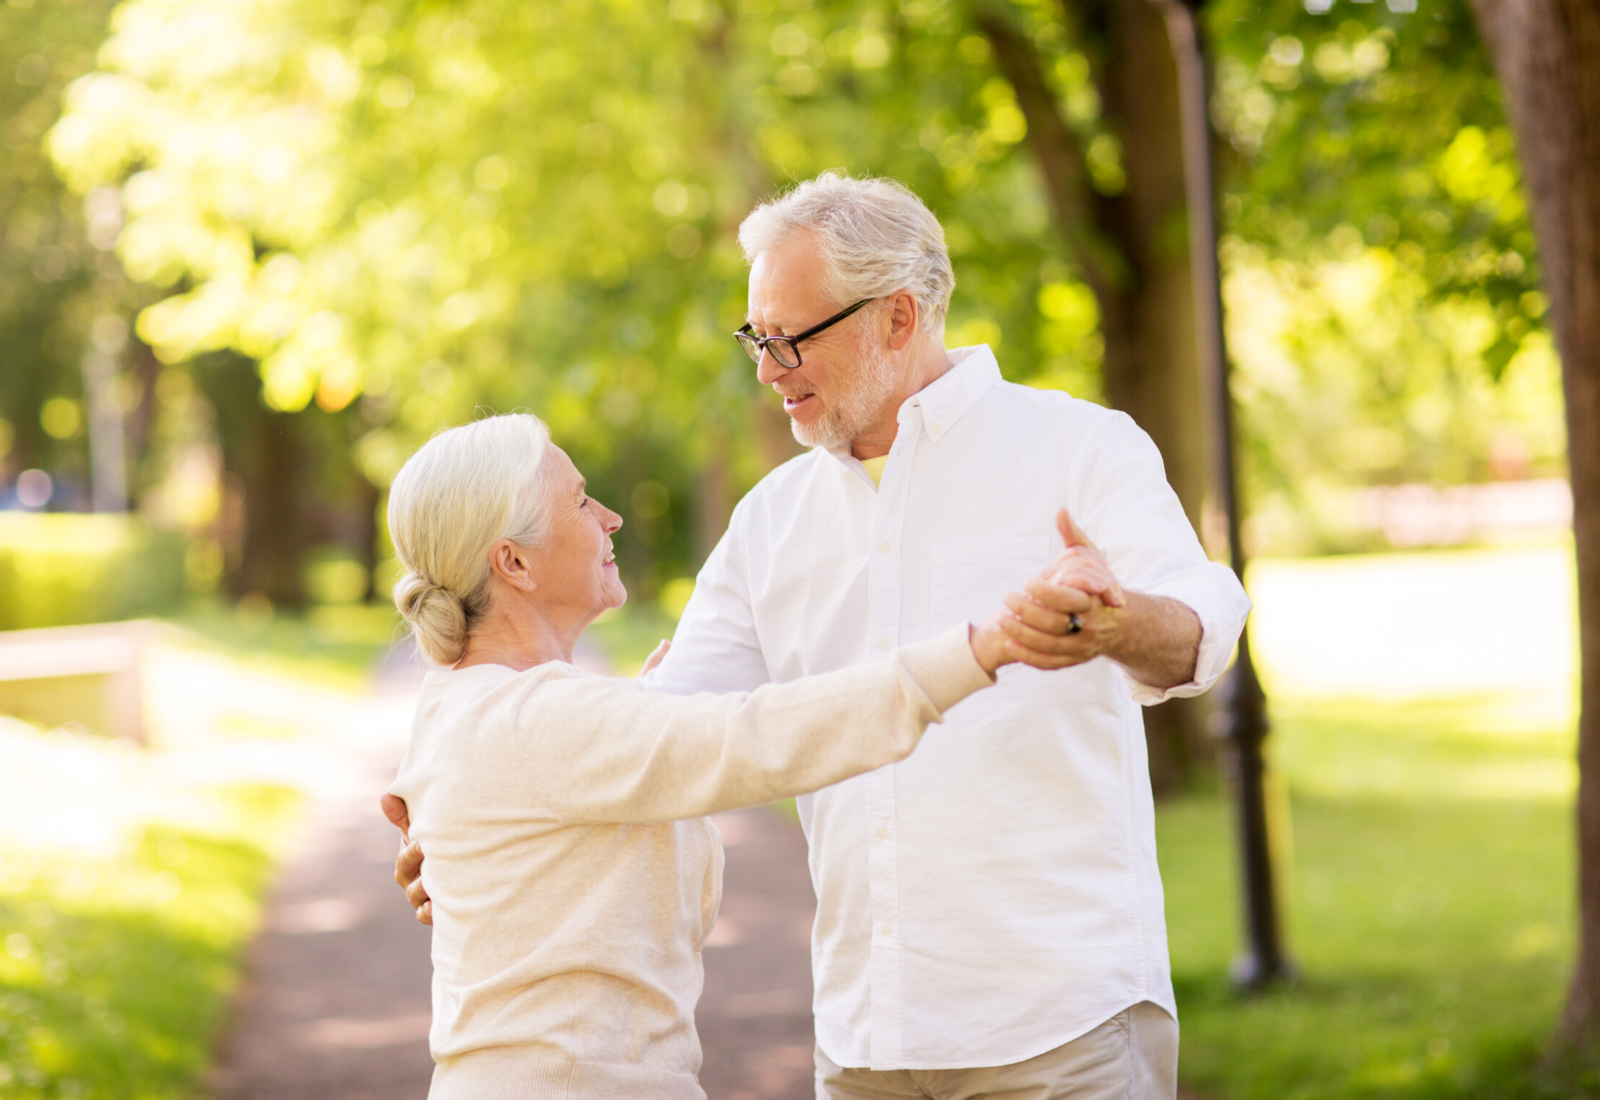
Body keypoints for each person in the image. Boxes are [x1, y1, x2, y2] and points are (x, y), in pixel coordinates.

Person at [395, 173, 1252, 1098]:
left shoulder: (1079, 447)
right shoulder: (773, 519)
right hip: (864, 1042)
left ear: (897, 316)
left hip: (1055, 1026)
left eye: (791, 339)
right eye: (756, 339)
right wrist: (484, 834)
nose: (767, 369)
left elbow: (1198, 630)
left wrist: (1117, 620)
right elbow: (675, 740)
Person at [378, 411, 1076, 1100]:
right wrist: (984, 646)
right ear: (514, 561)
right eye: (581, 499)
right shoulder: (539, 721)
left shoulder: (465, 706)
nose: (610, 517)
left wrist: (645, 708)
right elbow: (761, 738)